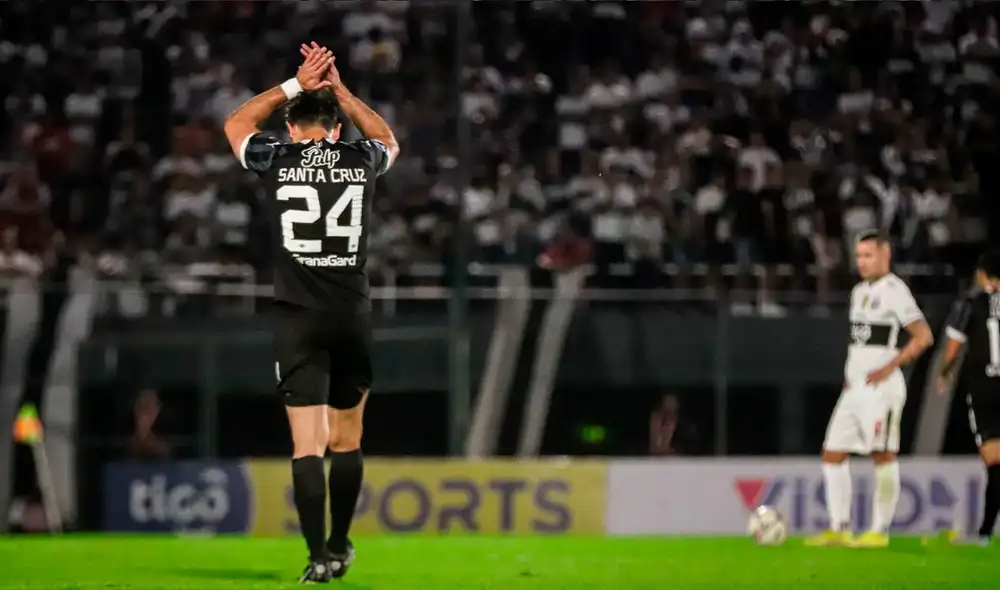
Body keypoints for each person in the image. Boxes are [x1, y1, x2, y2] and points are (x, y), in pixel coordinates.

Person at [223, 43, 399, 583]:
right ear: (337, 129)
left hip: (296, 316)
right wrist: (340, 89)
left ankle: (317, 555)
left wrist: (298, 82)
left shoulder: (277, 158)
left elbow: (236, 123)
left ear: (293, 129)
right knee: (348, 438)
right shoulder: (360, 158)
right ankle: (343, 544)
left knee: (307, 443)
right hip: (351, 312)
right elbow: (388, 138)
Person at [806, 230, 934, 548]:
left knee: (883, 455)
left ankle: (879, 530)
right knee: (832, 453)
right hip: (855, 389)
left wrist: (891, 365)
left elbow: (923, 336)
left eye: (868, 255)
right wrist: (852, 375)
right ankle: (840, 527)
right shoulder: (858, 292)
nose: (862, 262)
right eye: (859, 256)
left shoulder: (895, 291)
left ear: (885, 255)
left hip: (882, 390)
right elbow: (860, 343)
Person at [937, 249, 1000, 545]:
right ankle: (985, 532)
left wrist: (943, 373)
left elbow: (952, 351)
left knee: (995, 463)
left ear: (982, 275)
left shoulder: (970, 304)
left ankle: (985, 534)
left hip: (985, 391)